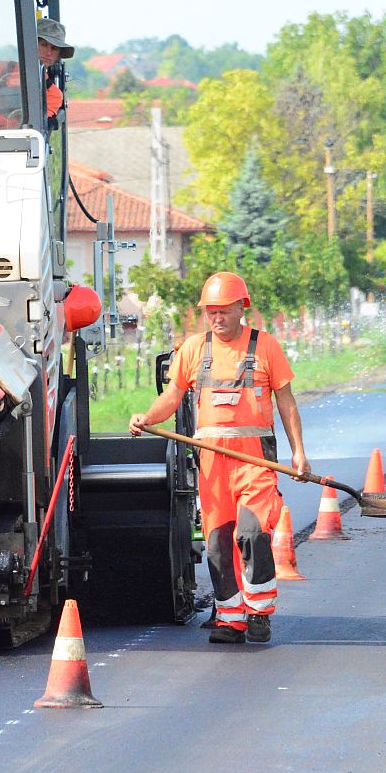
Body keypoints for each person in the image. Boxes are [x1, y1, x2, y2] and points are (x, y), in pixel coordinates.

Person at [129, 272, 308, 645]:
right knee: (216, 542)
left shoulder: (265, 347)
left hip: (255, 460)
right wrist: (147, 417)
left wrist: (299, 453)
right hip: (212, 463)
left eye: (223, 312)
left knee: (252, 533)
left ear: (241, 309)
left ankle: (259, 613)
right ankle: (230, 619)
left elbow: (286, 402)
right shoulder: (194, 349)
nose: (216, 319)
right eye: (211, 312)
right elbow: (173, 397)